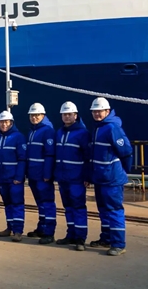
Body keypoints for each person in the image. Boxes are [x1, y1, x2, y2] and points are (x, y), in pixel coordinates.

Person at [88, 97, 133, 256]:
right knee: (103, 211)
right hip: (100, 179)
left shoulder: (112, 128)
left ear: (107, 111)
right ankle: (106, 238)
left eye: (100, 111)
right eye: (94, 111)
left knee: (114, 210)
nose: (97, 114)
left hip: (112, 179)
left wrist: (123, 171)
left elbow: (126, 151)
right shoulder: (98, 128)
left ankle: (119, 244)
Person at [55, 102, 91, 251]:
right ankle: (71, 234)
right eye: (64, 114)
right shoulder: (59, 132)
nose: (67, 117)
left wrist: (87, 176)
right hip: (63, 178)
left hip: (77, 179)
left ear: (75, 115)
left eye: (69, 114)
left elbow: (88, 157)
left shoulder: (83, 133)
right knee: (68, 208)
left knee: (79, 208)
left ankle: (80, 238)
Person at [0, 110, 27, 242]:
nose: (4, 124)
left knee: (17, 203)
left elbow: (22, 159)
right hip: (2, 178)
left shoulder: (18, 137)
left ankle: (18, 231)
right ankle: (10, 227)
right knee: (7, 204)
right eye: (1, 122)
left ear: (11, 122)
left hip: (14, 179)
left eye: (6, 122)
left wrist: (19, 177)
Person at [26, 103, 57, 244]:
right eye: (32, 115)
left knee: (48, 203)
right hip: (33, 175)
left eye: (37, 115)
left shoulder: (47, 131)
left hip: (42, 176)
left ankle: (49, 232)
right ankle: (42, 228)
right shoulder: (32, 131)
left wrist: (47, 174)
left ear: (43, 116)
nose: (34, 117)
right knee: (40, 204)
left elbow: (50, 155)